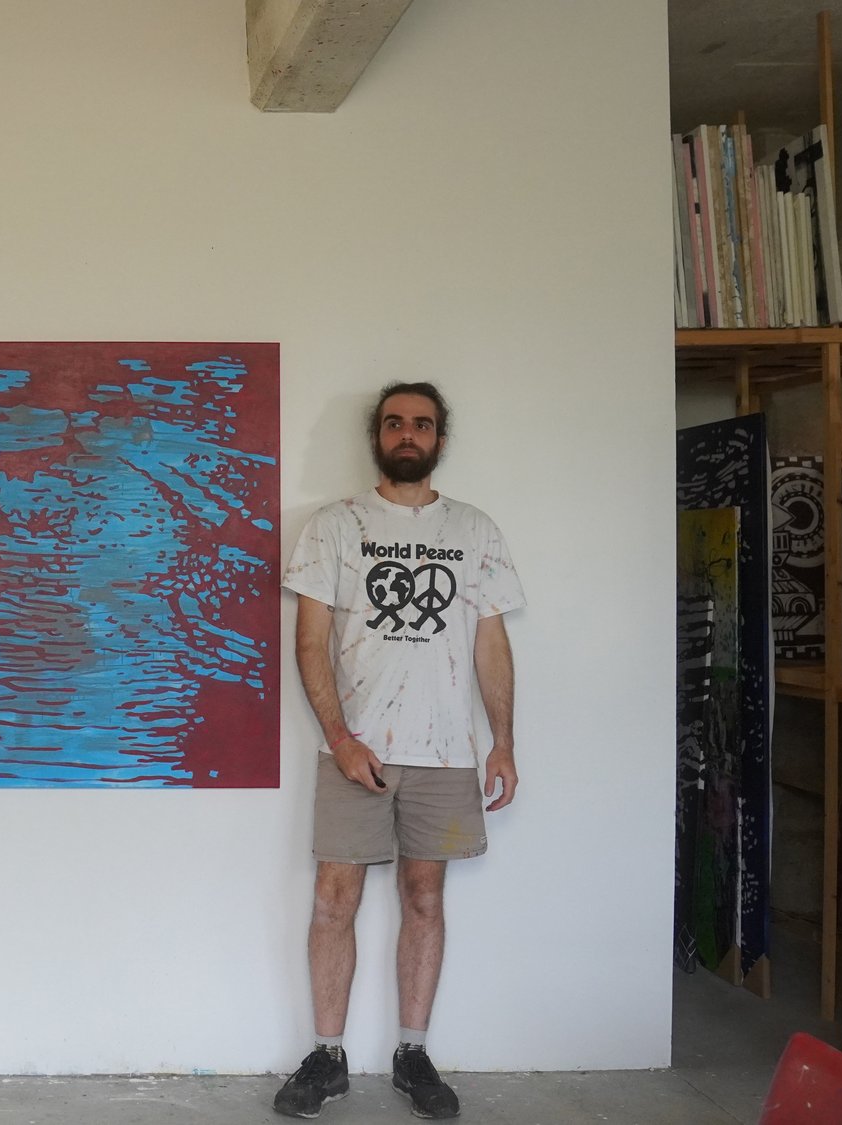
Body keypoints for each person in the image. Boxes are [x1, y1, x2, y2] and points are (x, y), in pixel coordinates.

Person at [271, 381, 525, 1120]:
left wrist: (504, 742)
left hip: (446, 755)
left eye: (421, 423)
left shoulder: (474, 530)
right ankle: (326, 1057)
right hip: (356, 753)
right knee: (333, 899)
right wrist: (340, 739)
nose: (407, 434)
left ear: (440, 437)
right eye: (394, 423)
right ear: (377, 436)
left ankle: (413, 1054)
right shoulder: (333, 526)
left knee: (424, 898)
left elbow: (490, 644)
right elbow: (310, 643)